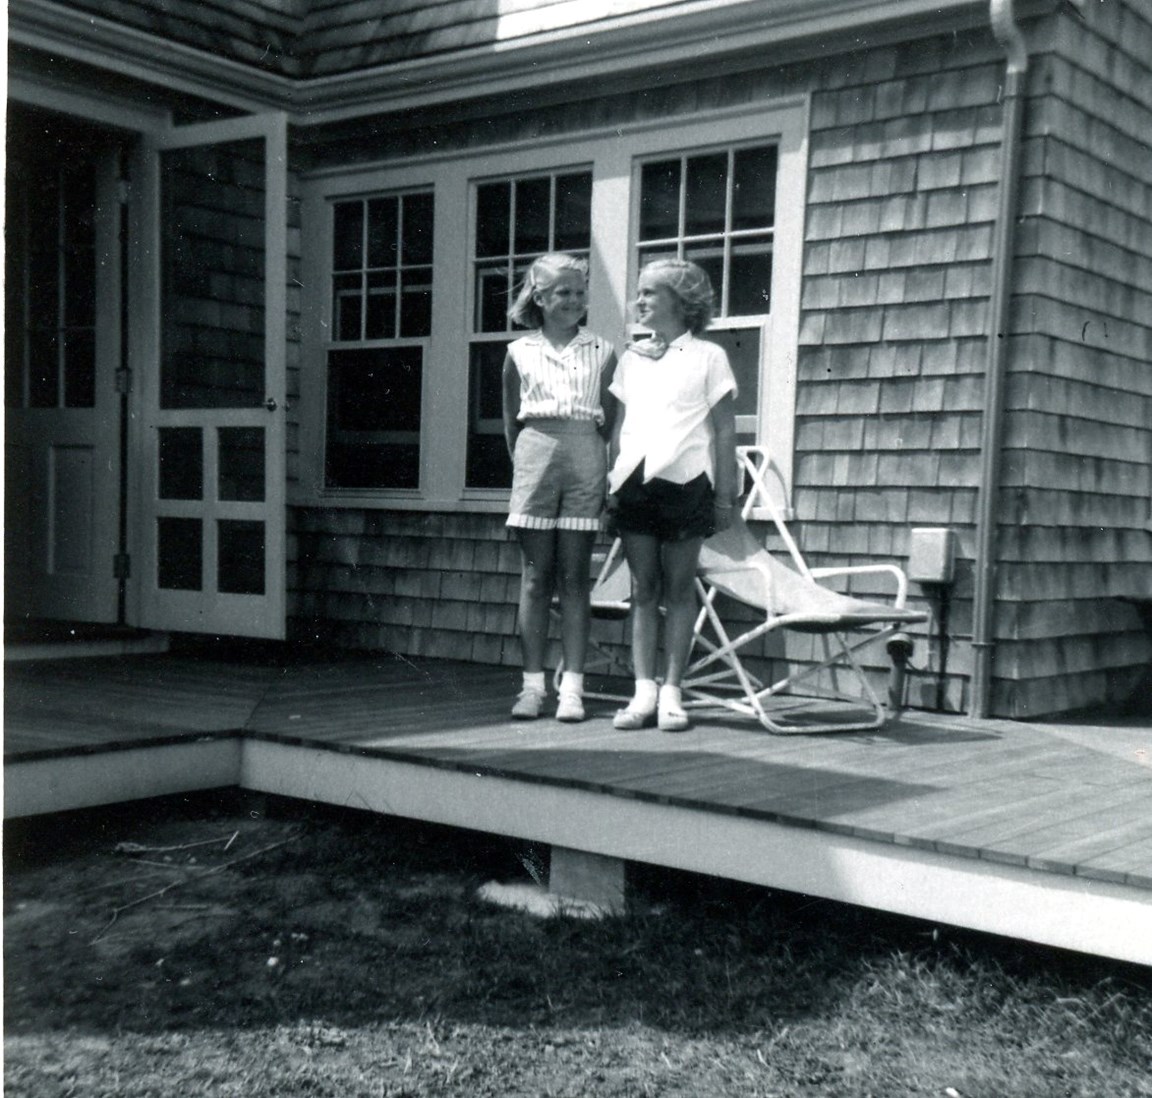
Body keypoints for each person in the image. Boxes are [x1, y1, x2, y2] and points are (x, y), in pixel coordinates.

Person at [606, 258, 738, 733]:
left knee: (679, 591)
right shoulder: (633, 358)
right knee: (643, 590)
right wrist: (612, 484)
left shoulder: (708, 356)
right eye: (639, 293)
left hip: (685, 484)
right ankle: (643, 693)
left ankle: (672, 694)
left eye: (648, 293)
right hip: (634, 484)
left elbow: (724, 430)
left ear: (681, 303)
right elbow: (621, 429)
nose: (638, 301)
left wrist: (725, 496)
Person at [503, 253, 618, 723]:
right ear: (539, 297)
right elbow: (512, 422)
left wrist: (595, 466)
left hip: (585, 456)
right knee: (535, 578)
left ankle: (572, 689)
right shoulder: (518, 351)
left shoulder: (604, 351)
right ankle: (532, 687)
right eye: (561, 293)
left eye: (578, 292)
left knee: (574, 579)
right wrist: (529, 466)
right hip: (535, 457)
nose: (572, 300)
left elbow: (610, 422)